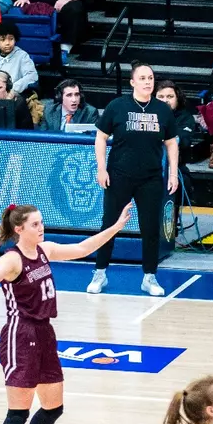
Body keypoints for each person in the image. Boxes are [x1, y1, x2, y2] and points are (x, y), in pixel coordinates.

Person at [0, 199, 132, 424]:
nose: (41, 227)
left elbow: (83, 248)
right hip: (21, 335)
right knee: (18, 412)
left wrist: (116, 227)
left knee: (53, 406)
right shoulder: (12, 259)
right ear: (19, 229)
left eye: (41, 222)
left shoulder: (44, 250)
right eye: (35, 224)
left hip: (44, 332)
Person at [83, 62, 177, 297]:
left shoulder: (163, 110)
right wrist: (101, 168)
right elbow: (101, 138)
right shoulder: (117, 106)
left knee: (150, 228)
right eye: (142, 78)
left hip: (151, 178)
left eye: (150, 78)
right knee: (109, 225)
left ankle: (149, 277)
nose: (147, 82)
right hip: (118, 175)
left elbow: (171, 143)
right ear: (132, 82)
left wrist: (173, 173)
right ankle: (100, 273)